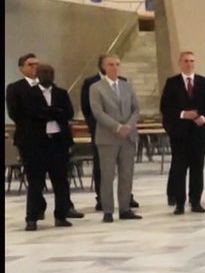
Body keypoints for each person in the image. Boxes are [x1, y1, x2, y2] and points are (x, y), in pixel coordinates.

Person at [18, 63, 78, 230]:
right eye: (43, 73)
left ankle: (61, 215)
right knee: (36, 182)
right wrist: (52, 112)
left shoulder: (61, 93)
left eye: (49, 73)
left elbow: (68, 113)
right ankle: (32, 218)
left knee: (60, 181)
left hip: (58, 142)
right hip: (37, 143)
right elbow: (31, 115)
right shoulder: (30, 94)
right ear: (38, 75)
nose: (47, 76)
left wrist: (50, 113)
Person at [159, 51, 205, 214]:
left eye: (191, 61)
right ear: (180, 63)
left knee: (197, 169)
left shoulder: (203, 82)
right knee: (179, 169)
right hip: (180, 134)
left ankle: (195, 201)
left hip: (199, 133)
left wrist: (203, 117)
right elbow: (165, 107)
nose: (189, 64)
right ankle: (179, 203)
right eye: (186, 61)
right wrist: (183, 114)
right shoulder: (172, 82)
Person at [81, 58, 138, 211]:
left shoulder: (127, 85)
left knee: (126, 174)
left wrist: (129, 125)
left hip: (127, 137)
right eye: (111, 65)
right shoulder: (95, 87)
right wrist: (117, 126)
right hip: (108, 137)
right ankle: (107, 209)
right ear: (103, 67)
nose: (115, 67)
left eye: (117, 64)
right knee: (107, 175)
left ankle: (125, 208)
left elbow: (136, 109)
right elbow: (97, 111)